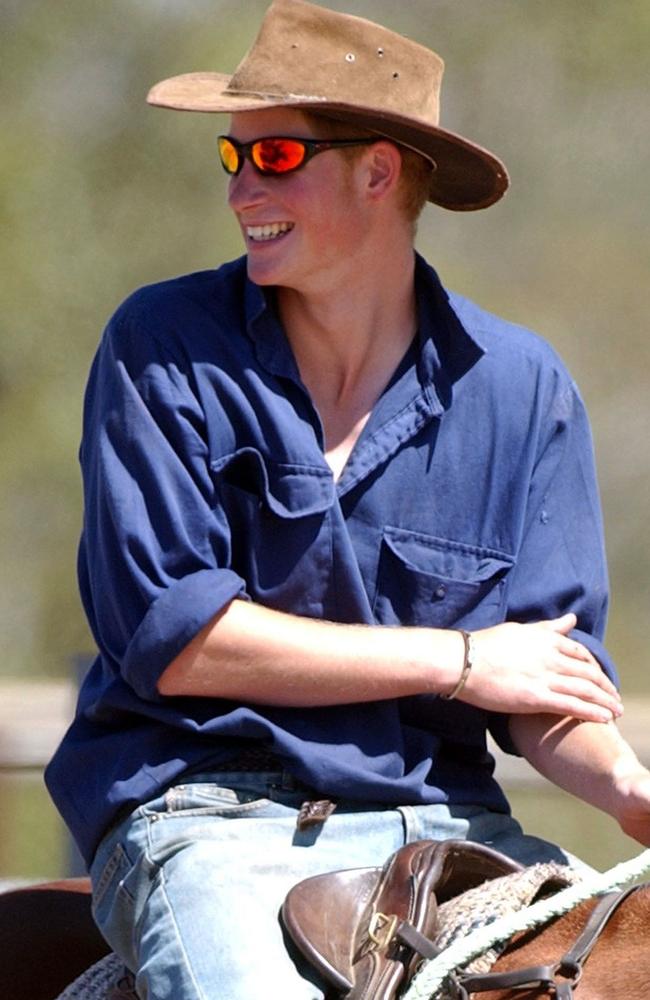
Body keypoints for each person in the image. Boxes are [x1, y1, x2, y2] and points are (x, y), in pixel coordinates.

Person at [45, 1, 650, 997]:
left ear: (377, 170)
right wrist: (460, 661)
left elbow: (543, 683)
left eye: (273, 155)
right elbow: (180, 640)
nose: (242, 189)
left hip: (450, 833)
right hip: (205, 820)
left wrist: (626, 786)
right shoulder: (160, 347)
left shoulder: (522, 389)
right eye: (231, 160)